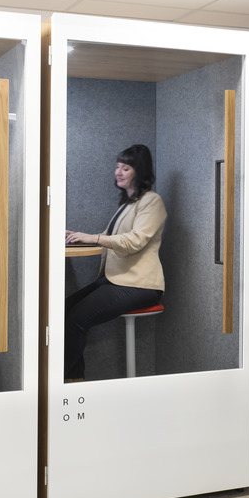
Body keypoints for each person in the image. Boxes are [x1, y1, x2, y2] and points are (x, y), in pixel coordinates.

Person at [64, 144, 166, 381]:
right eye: (118, 167)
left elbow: (135, 241)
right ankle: (71, 378)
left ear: (139, 171)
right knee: (63, 310)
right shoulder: (127, 204)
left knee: (76, 319)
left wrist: (94, 238)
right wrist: (78, 236)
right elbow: (111, 236)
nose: (118, 172)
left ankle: (70, 381)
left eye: (126, 168)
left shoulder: (152, 202)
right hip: (117, 279)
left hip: (142, 285)